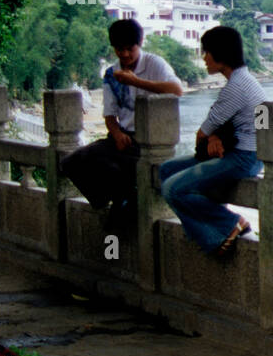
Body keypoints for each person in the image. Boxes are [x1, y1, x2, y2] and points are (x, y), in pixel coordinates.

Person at [58, 19, 183, 228]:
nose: (124, 54)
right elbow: (109, 114)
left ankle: (124, 199)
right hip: (122, 136)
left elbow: (176, 90)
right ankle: (115, 197)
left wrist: (135, 81)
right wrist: (116, 134)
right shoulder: (111, 73)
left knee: (116, 217)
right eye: (119, 49)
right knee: (71, 162)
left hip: (147, 143)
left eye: (129, 49)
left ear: (140, 43)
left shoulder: (154, 63)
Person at [159, 26, 266, 257]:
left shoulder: (235, 88)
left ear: (222, 55)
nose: (204, 58)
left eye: (207, 52)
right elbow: (255, 125)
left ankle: (229, 224)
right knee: (166, 170)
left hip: (243, 158)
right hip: (246, 153)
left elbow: (202, 134)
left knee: (172, 189)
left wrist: (211, 137)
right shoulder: (249, 82)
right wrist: (215, 136)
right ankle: (204, 231)